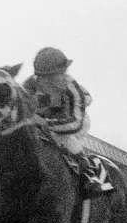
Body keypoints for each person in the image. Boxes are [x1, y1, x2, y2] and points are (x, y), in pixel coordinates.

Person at [23, 47, 113, 197]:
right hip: (44, 116)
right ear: (41, 76)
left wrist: (45, 123)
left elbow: (74, 123)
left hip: (74, 120)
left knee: (62, 137)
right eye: (51, 76)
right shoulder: (30, 85)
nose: (60, 78)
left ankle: (92, 173)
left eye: (61, 73)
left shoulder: (72, 88)